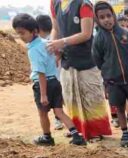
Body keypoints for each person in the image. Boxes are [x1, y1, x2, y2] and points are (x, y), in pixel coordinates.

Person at [13, 14, 86, 147]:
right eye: (18, 34)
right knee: (59, 112)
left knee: (42, 113)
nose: (20, 37)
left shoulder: (33, 50)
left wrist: (43, 94)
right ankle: (77, 136)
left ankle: (47, 137)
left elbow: (40, 72)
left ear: (34, 31)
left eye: (22, 33)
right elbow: (59, 52)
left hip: (43, 85)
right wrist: (55, 61)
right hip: (55, 82)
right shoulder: (47, 43)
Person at [48, 0, 112, 141]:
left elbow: (86, 34)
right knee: (71, 96)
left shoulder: (83, 4)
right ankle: (75, 128)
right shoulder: (55, 3)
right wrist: (53, 45)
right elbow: (55, 28)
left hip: (86, 58)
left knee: (90, 96)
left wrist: (62, 42)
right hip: (67, 59)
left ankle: (95, 131)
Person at [92, 1, 128, 147]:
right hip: (113, 82)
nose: (106, 19)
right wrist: (108, 74)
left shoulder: (125, 34)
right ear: (97, 20)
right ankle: (125, 133)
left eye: (108, 15)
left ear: (113, 15)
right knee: (119, 107)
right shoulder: (98, 39)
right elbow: (98, 60)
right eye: (102, 17)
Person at [35, 14, 64, 131]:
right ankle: (60, 120)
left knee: (51, 102)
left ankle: (57, 121)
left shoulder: (43, 42)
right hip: (59, 74)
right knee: (59, 100)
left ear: (37, 29)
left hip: (50, 77)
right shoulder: (55, 37)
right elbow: (60, 53)